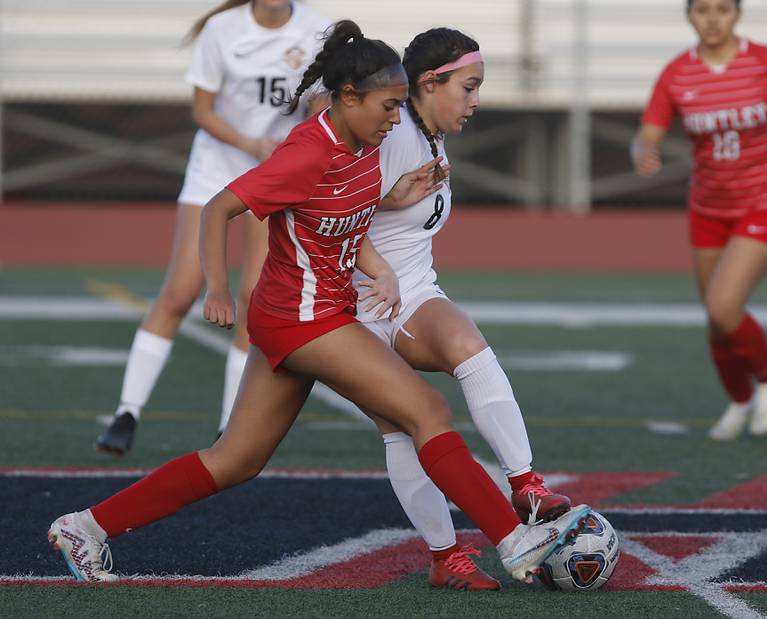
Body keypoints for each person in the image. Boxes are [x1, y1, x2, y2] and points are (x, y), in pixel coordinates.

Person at [48, 20, 591, 585]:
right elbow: (218, 209)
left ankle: (85, 527)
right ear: (348, 97)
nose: (394, 117)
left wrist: (382, 267)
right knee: (424, 411)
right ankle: (515, 539)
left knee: (235, 461)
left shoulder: (366, 146)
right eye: (387, 105)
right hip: (303, 319)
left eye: (401, 105)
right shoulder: (309, 151)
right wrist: (215, 286)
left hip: (305, 316)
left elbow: (343, 228)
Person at [354, 28, 572, 590]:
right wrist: (386, 202)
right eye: (468, 87)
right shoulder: (394, 131)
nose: (476, 101)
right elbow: (328, 210)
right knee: (402, 432)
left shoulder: (427, 134)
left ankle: (525, 484)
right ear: (430, 82)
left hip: (410, 294)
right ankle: (446, 555)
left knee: (465, 347)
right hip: (355, 308)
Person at [96, 0, 331, 454]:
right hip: (216, 166)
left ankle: (229, 424)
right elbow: (204, 111)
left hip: (274, 171)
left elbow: (321, 107)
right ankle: (127, 412)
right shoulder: (223, 29)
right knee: (181, 289)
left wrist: (293, 148)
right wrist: (250, 142)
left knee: (253, 296)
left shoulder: (320, 29)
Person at [632, 0, 767, 441]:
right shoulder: (677, 74)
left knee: (725, 306)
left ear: (737, 14)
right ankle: (739, 400)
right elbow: (649, 131)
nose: (712, 18)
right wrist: (642, 151)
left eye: (722, 9)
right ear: (689, 15)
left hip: (766, 199)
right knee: (715, 317)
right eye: (702, 9)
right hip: (708, 207)